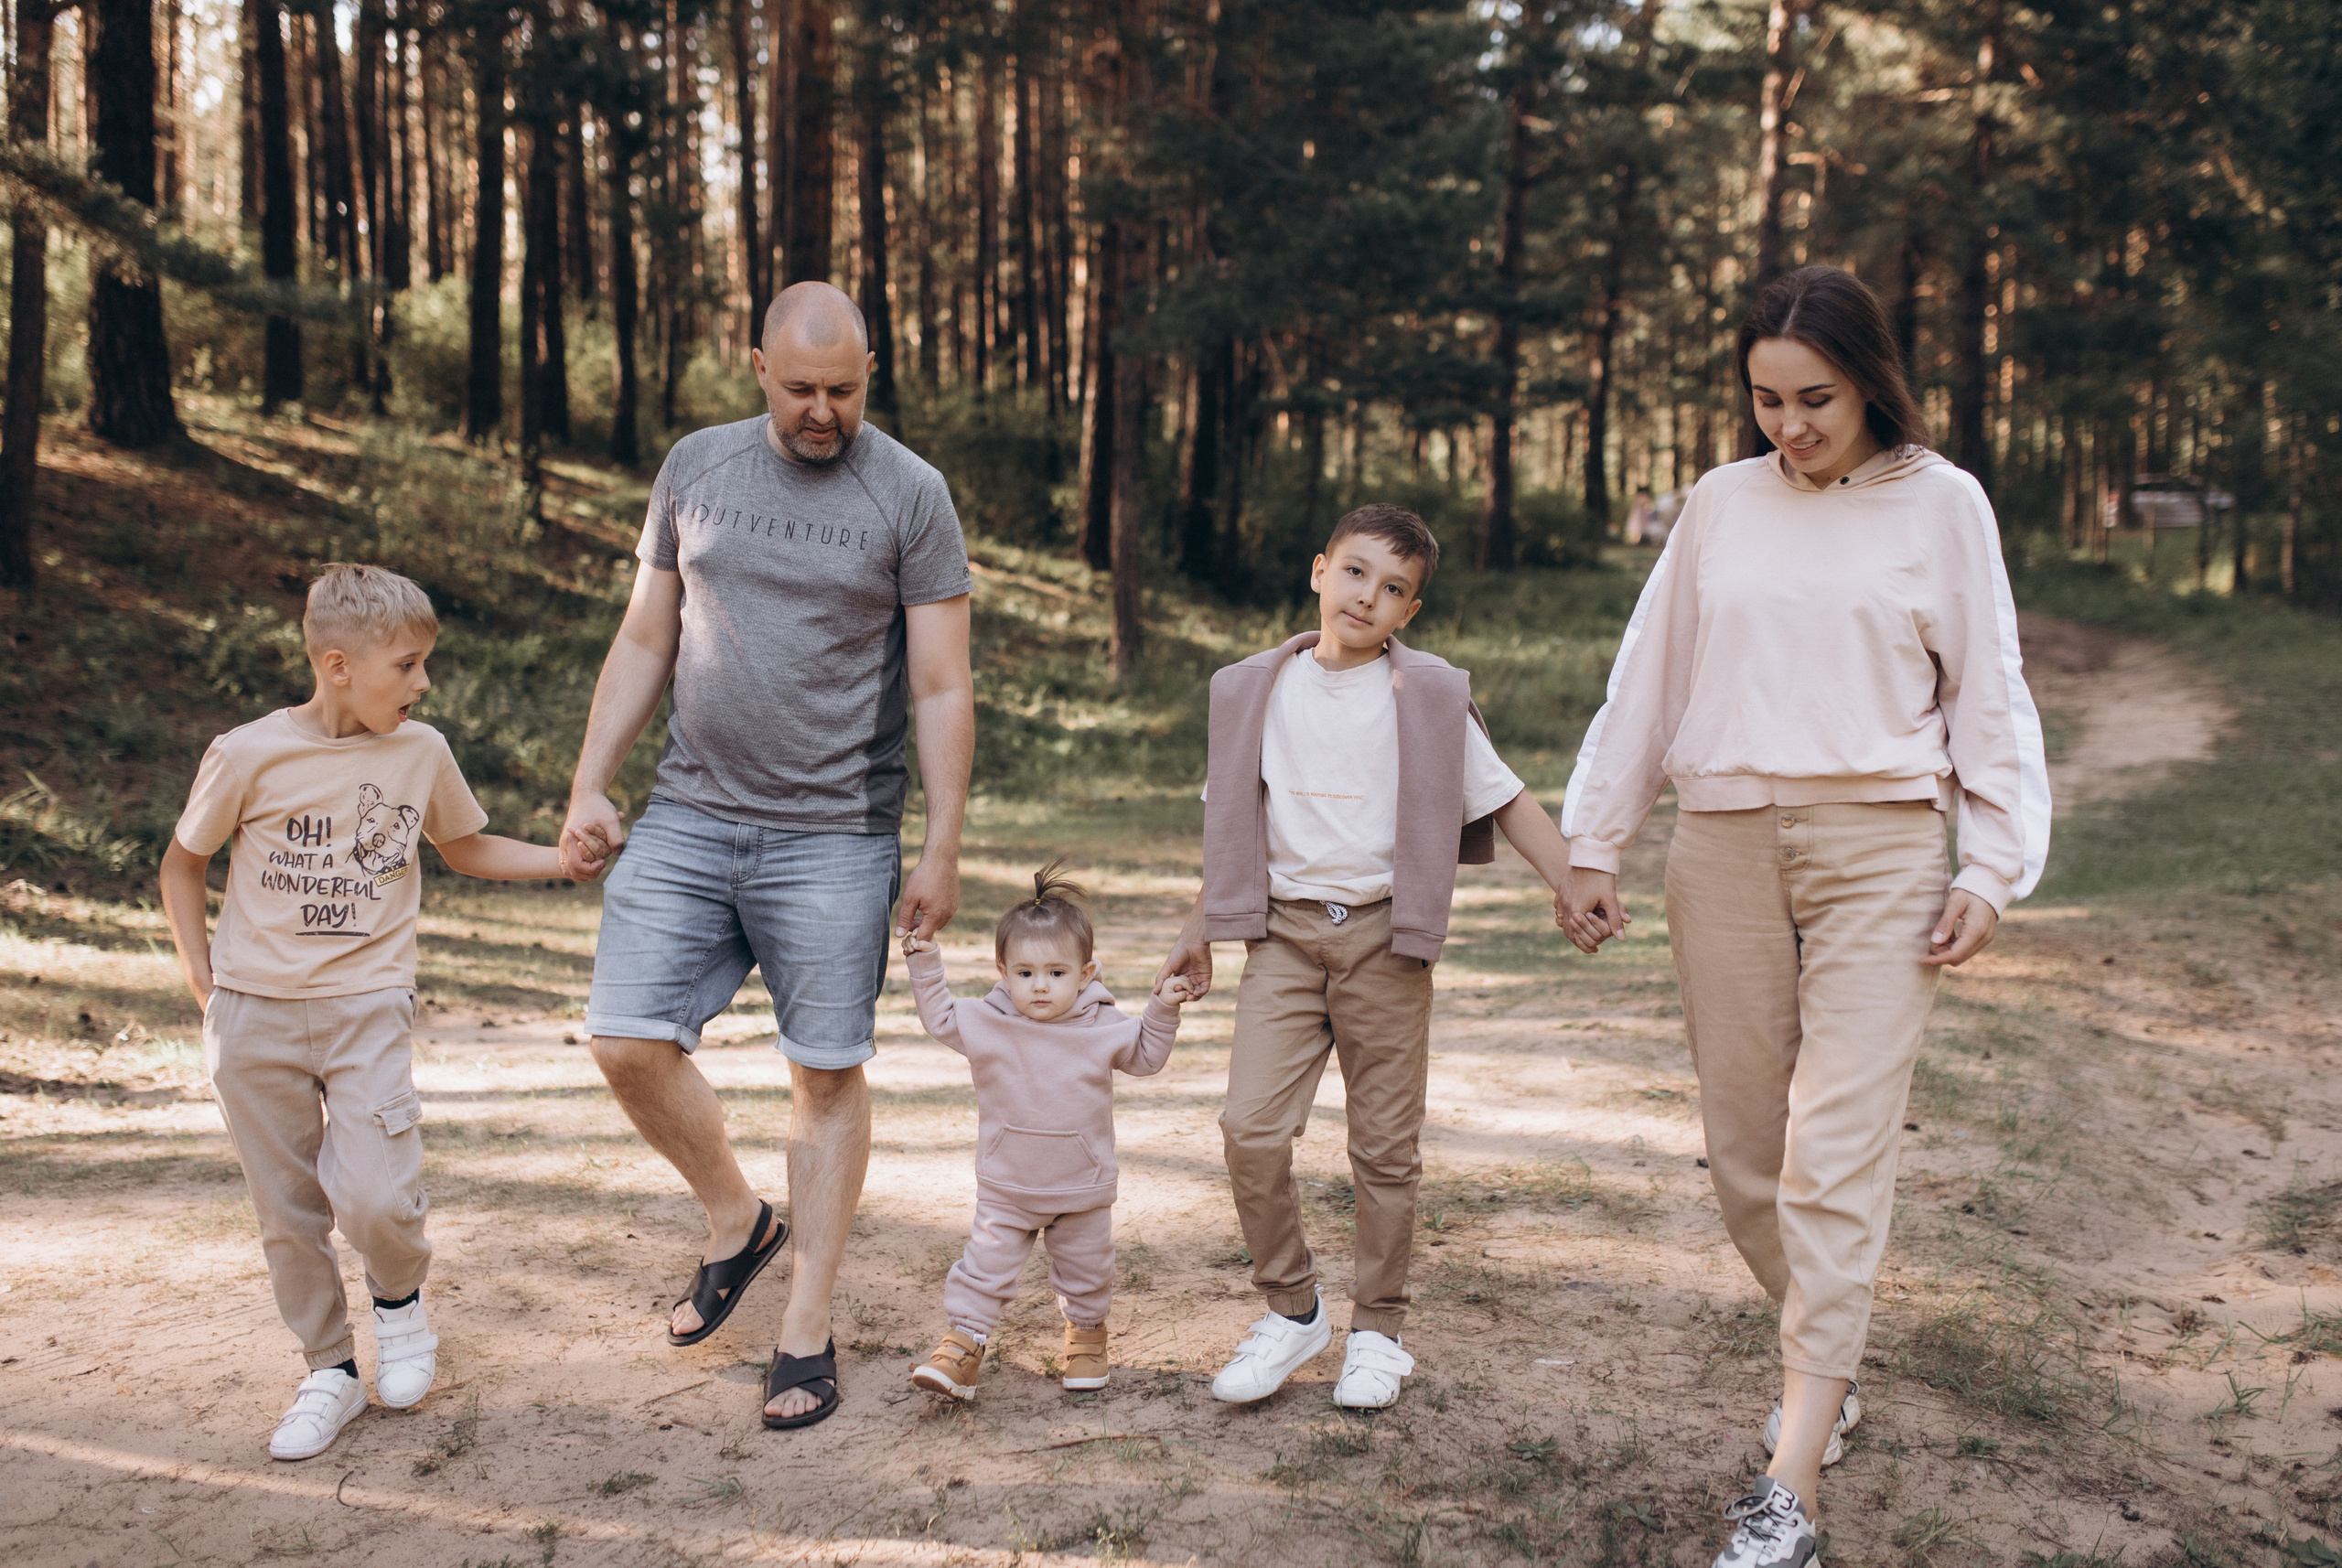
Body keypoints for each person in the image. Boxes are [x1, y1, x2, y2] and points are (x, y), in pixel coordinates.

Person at [1558, 265, 2049, 1568]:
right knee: (1744, 1159)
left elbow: (1989, 690)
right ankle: (1826, 1349)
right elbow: (1650, 675)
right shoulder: (1722, 503)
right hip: (1720, 846)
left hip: (1881, 850)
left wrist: (1991, 864)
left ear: (1871, 382)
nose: (1789, 425)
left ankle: (1793, 1480)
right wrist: (1595, 837)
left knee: (1834, 1152)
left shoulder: (1943, 503)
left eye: (1815, 398)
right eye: (1766, 400)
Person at [561, 281, 975, 1431]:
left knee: (823, 1076)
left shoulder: (911, 493)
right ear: (756, 368)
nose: (821, 411)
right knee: (624, 1039)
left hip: (837, 832)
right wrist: (591, 780)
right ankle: (737, 1218)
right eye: (799, 389)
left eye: (842, 389)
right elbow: (647, 632)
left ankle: (805, 1322)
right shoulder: (695, 466)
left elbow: (941, 683)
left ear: (870, 372)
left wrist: (941, 845)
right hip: (690, 811)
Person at [158, 564, 595, 1462]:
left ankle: (400, 1305)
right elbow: (182, 864)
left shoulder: (419, 751)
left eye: (424, 663)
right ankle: (329, 1371)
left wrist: (562, 861)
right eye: (407, 665)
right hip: (254, 1016)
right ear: (338, 666)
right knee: (288, 1212)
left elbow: (464, 846)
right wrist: (207, 987)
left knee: (376, 1195)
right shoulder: (246, 754)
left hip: (366, 1006)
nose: (423, 682)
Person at [1154, 503, 1577, 1412]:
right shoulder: (1255, 689)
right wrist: (1199, 926)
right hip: (1283, 938)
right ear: (1320, 570)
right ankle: (1293, 1309)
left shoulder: (1424, 697)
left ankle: (1378, 1330)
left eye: (1392, 589)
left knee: (1384, 1150)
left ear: (1408, 612)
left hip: (1385, 941)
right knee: (1248, 1127)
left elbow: (1505, 799)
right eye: (1354, 572)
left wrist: (1571, 883)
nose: (1366, 596)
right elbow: (1235, 821)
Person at [901, 863, 1190, 1400]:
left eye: (1057, 973)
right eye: (1026, 973)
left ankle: (1086, 1336)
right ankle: (963, 1346)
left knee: (1088, 1271)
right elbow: (940, 1015)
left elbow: (1147, 1056)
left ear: (1086, 974)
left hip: (1081, 1187)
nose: (1040, 986)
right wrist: (924, 958)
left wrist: (1163, 1008)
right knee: (983, 1269)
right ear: (1003, 971)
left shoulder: (1103, 1027)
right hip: (1007, 1187)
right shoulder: (987, 1022)